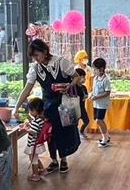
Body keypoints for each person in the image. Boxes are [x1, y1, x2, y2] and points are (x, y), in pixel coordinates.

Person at [14, 40, 82, 174]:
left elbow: (76, 77)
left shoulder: (61, 62)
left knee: (64, 132)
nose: (35, 59)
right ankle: (54, 160)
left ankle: (63, 159)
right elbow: (27, 89)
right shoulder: (35, 68)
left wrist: (70, 85)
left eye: (37, 55)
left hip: (64, 104)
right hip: (48, 106)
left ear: (45, 52)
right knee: (50, 133)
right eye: (33, 56)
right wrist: (16, 106)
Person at [25, 97, 49, 181]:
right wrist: (30, 124)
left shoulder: (36, 121)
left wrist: (27, 129)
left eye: (30, 110)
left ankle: (35, 175)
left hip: (33, 144)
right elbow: (37, 128)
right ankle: (42, 170)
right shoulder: (41, 119)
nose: (30, 112)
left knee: (33, 159)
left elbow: (34, 132)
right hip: (38, 143)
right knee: (35, 158)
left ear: (34, 111)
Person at [90, 57, 112, 147]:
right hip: (96, 103)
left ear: (101, 69)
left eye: (95, 69)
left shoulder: (106, 80)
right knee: (99, 120)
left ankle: (105, 139)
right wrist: (91, 94)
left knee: (99, 120)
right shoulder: (95, 78)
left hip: (102, 104)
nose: (94, 71)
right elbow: (94, 90)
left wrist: (96, 97)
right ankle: (107, 136)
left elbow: (107, 92)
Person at [75, 67, 92, 137]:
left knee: (86, 121)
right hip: (76, 109)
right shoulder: (74, 87)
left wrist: (87, 96)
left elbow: (86, 95)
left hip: (82, 108)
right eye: (82, 77)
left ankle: (81, 131)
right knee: (75, 123)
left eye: (84, 77)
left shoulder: (84, 87)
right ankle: (75, 135)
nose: (84, 79)